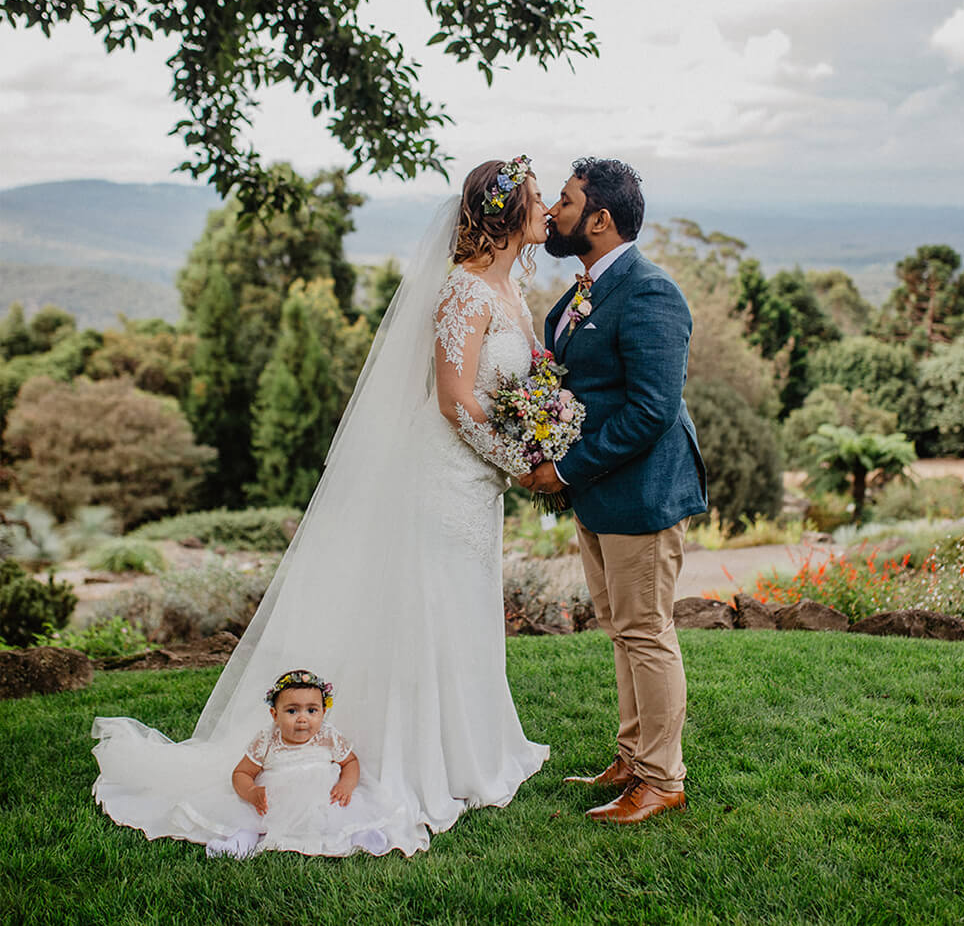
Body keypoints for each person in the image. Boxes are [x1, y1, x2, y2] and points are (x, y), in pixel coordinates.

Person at [92, 157, 551, 856]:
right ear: (510, 213)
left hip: (478, 486)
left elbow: (513, 391)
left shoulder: (510, 291)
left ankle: (470, 749)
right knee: (431, 609)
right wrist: (523, 463)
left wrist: (535, 434)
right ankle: (421, 760)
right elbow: (457, 398)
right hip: (444, 475)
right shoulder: (464, 291)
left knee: (464, 607)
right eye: (540, 199)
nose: (549, 210)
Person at [521, 157, 707, 826]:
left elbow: (653, 409)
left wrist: (565, 470)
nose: (553, 213)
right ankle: (633, 757)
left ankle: (663, 779)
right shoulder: (584, 290)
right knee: (622, 631)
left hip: (642, 493)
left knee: (647, 631)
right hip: (603, 489)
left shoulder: (653, 292)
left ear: (600, 219)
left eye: (565, 202)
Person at [204, 668, 392, 859]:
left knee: (343, 812)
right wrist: (251, 792)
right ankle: (240, 844)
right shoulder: (266, 740)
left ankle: (361, 836)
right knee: (250, 819)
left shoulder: (328, 735)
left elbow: (350, 761)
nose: (302, 718)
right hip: (277, 802)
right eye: (292, 711)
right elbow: (241, 773)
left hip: (323, 797)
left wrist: (346, 784)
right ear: (274, 714)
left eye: (312, 710)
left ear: (323, 712)